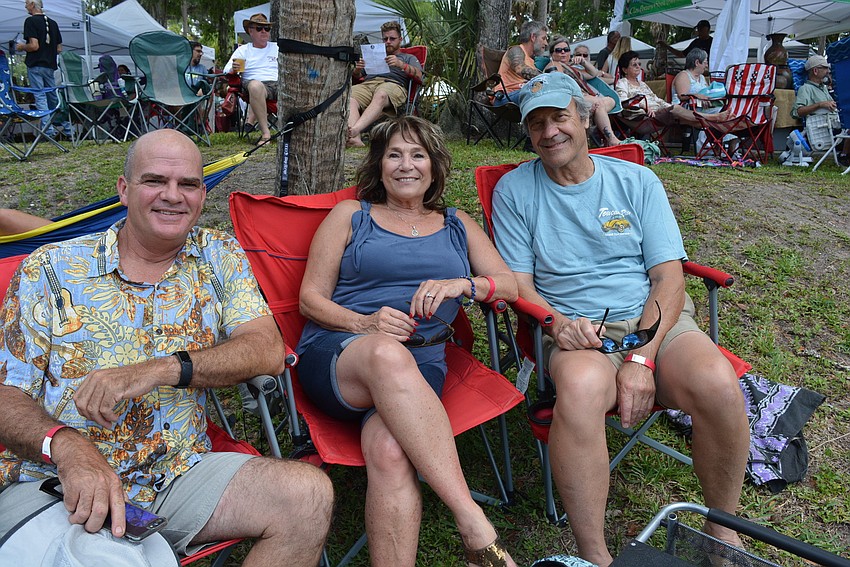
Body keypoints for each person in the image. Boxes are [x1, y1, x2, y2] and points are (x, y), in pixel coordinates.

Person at [0, 129, 334, 566]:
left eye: (188, 184)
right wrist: (66, 446)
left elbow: (266, 349)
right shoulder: (50, 269)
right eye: (155, 181)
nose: (172, 196)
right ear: (124, 190)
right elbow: (6, 394)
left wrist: (159, 369)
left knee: (307, 496)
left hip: (178, 472)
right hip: (61, 481)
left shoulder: (218, 255)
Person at [490, 72, 750, 567]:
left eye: (559, 118)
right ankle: (595, 557)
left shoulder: (637, 180)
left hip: (653, 321)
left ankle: (722, 531)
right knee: (583, 390)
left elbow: (669, 279)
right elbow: (519, 283)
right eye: (537, 124)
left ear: (585, 119)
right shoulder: (514, 191)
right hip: (575, 330)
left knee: (717, 383)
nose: (549, 133)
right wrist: (556, 322)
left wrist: (642, 358)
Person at [297, 115, 519, 567]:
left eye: (417, 154)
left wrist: (462, 285)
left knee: (392, 449)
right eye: (394, 154)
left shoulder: (457, 224)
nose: (406, 165)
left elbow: (508, 284)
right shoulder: (351, 216)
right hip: (341, 357)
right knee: (384, 352)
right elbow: (309, 299)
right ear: (379, 165)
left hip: (423, 365)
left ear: (434, 167)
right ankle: (472, 521)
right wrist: (364, 323)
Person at [347, 21, 423, 147]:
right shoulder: (375, 54)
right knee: (350, 96)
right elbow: (358, 76)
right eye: (385, 38)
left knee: (381, 94)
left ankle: (354, 131)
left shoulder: (408, 57)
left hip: (393, 84)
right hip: (368, 83)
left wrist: (401, 64)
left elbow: (419, 75)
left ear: (400, 39)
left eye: (392, 38)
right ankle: (355, 140)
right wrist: (358, 69)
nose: (388, 41)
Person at [615, 51, 728, 128]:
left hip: (658, 113)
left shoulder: (642, 84)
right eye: (634, 65)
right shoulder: (622, 83)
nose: (639, 67)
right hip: (642, 117)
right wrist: (643, 106)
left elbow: (657, 99)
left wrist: (668, 106)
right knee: (678, 112)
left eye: (639, 64)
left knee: (687, 120)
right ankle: (715, 118)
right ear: (625, 69)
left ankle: (717, 123)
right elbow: (624, 102)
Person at [544, 36, 620, 146]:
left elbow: (593, 73)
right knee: (600, 104)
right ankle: (611, 139)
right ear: (552, 54)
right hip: (573, 98)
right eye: (559, 50)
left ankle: (608, 136)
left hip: (586, 98)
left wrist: (583, 62)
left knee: (609, 101)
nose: (563, 53)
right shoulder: (554, 65)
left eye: (566, 50)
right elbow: (557, 82)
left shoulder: (571, 68)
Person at [15, 0, 72, 139]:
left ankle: (48, 131)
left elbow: (34, 46)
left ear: (33, 5)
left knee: (40, 97)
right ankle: (68, 129)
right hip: (50, 66)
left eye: (27, 3)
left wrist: (22, 47)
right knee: (53, 97)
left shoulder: (30, 21)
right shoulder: (53, 23)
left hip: (36, 65)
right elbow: (59, 48)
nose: (25, 6)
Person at [224, 13, 278, 146]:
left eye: (267, 29)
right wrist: (234, 70)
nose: (264, 31)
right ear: (251, 31)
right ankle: (266, 134)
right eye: (259, 28)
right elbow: (227, 70)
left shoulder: (277, 47)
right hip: (255, 85)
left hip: (279, 84)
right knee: (255, 86)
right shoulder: (243, 50)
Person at [793, 54, 850, 164]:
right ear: (815, 70)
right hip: (823, 126)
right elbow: (797, 112)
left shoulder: (823, 88)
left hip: (833, 123)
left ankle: (845, 155)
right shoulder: (806, 89)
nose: (828, 71)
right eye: (825, 68)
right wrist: (819, 104)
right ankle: (844, 155)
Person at [492, 20, 548, 105]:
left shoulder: (531, 61)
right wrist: (548, 78)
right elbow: (520, 69)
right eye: (543, 38)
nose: (546, 43)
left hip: (523, 94)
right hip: (505, 97)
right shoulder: (516, 50)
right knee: (538, 93)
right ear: (533, 37)